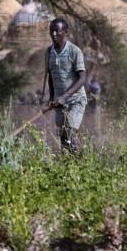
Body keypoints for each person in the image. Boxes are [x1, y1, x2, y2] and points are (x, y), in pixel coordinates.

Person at [46, 17, 87, 153]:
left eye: (57, 31)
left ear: (65, 32)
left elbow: (82, 79)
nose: (53, 34)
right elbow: (51, 76)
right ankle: (69, 167)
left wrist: (65, 96)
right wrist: (52, 97)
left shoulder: (75, 52)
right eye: (51, 31)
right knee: (63, 139)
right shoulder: (49, 52)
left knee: (69, 133)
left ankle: (82, 162)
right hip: (59, 103)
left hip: (76, 100)